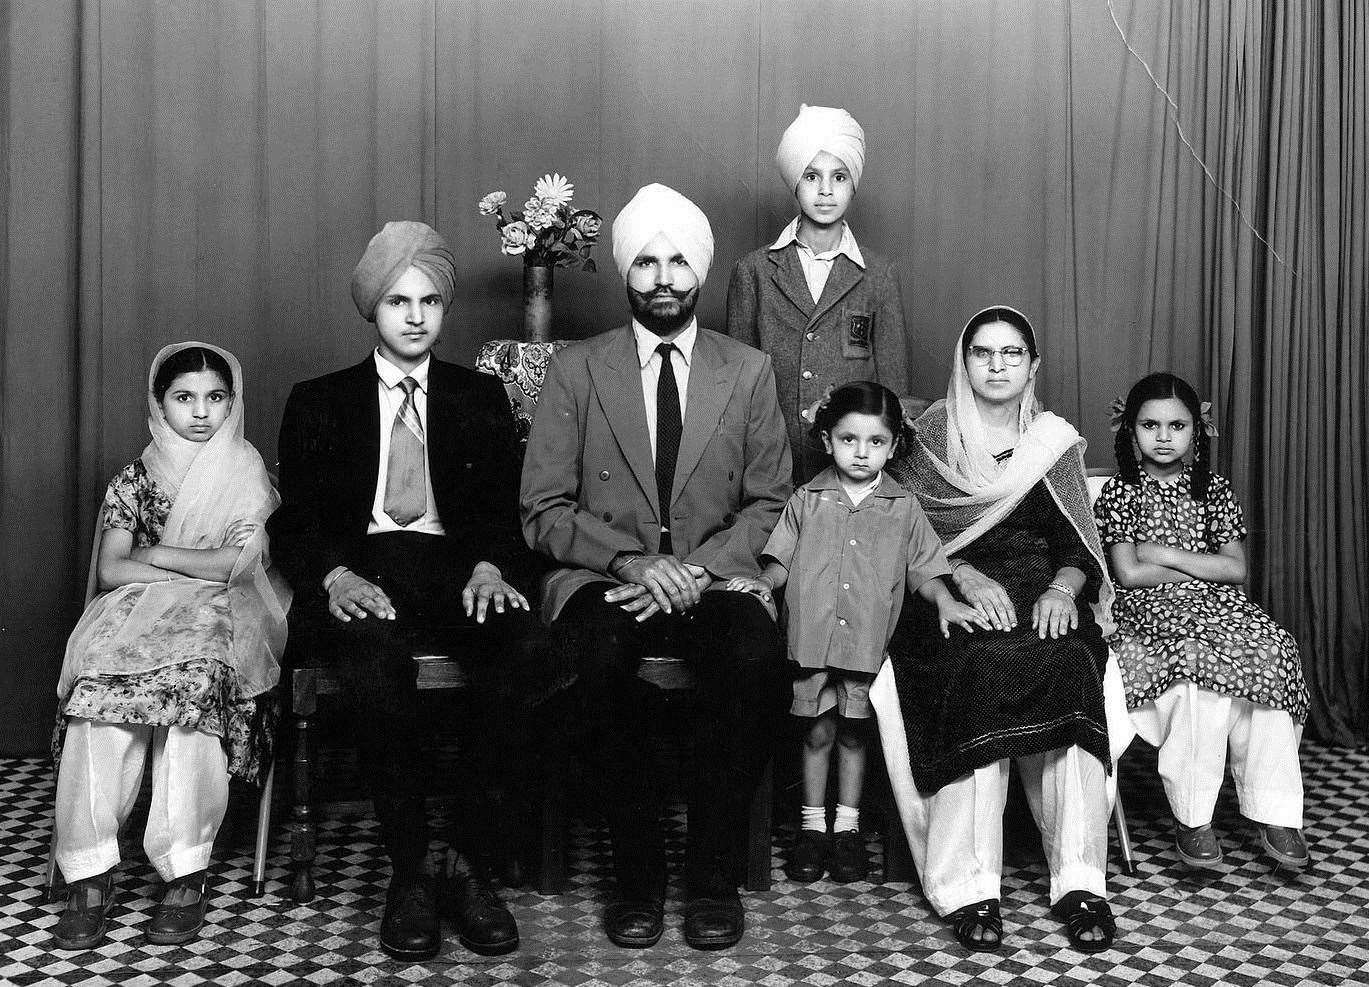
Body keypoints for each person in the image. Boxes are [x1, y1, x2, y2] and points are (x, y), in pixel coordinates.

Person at [269, 221, 559, 961]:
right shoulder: (319, 400)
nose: (414, 316)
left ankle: (464, 862)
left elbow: (503, 514)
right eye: (398, 300)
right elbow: (294, 522)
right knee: (371, 657)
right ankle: (408, 871)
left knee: (525, 645)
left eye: (429, 300)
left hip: (455, 570)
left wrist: (493, 567)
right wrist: (334, 576)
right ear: (373, 307)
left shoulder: (477, 396)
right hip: (359, 570)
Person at [521, 183, 793, 951]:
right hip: (606, 579)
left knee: (751, 656)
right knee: (598, 660)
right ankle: (636, 875)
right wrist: (633, 562)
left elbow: (771, 500)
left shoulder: (746, 370)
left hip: (714, 576)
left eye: (678, 260)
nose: (664, 277)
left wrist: (698, 571)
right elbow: (541, 507)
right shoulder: (576, 369)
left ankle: (710, 875)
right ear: (623, 273)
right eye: (646, 261)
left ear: (699, 270)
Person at [871, 306, 1118, 954]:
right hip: (944, 594)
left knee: (1071, 663)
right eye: (984, 352)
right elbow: (900, 527)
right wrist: (960, 572)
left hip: (1042, 590)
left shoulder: (1052, 443)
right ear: (964, 360)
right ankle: (968, 886)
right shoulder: (928, 436)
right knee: (976, 666)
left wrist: (1064, 587)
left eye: (1012, 354)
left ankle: (1079, 881)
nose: (998, 365)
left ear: (1032, 366)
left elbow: (1077, 546)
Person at [50, 342, 288, 950]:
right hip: (133, 613)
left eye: (215, 398)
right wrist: (186, 570)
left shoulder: (245, 471)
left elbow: (240, 563)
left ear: (233, 405)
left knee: (195, 693)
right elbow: (110, 570)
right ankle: (88, 870)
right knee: (97, 698)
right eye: (184, 398)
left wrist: (154, 555)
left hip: (219, 615)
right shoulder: (136, 476)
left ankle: (185, 868)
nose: (201, 413)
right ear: (160, 405)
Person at [727, 381, 986, 885]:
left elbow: (925, 570)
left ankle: (847, 830)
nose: (862, 453)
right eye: (849, 440)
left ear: (894, 447)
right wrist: (761, 583)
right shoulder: (807, 499)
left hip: (867, 645)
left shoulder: (904, 507)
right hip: (812, 644)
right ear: (827, 441)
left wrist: (947, 601)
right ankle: (812, 829)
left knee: (853, 735)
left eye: (875, 442)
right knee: (817, 731)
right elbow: (779, 559)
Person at [1096, 371, 1311, 869]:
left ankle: (1276, 809)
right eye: (1151, 426)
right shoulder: (1120, 492)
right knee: (1196, 666)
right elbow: (1128, 574)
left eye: (1177, 426)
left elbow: (1235, 568)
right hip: (1147, 614)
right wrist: (1190, 563)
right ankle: (1194, 815)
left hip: (1220, 608)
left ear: (1198, 430)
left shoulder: (1212, 489)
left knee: (1271, 648)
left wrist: (1163, 552)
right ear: (1131, 430)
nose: (1164, 437)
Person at [726, 103, 910, 482]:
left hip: (853, 468)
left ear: (853, 183)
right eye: (812, 176)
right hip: (772, 459)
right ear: (795, 180)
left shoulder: (878, 274)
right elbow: (735, 386)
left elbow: (893, 390)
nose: (825, 190)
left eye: (839, 177)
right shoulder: (755, 271)